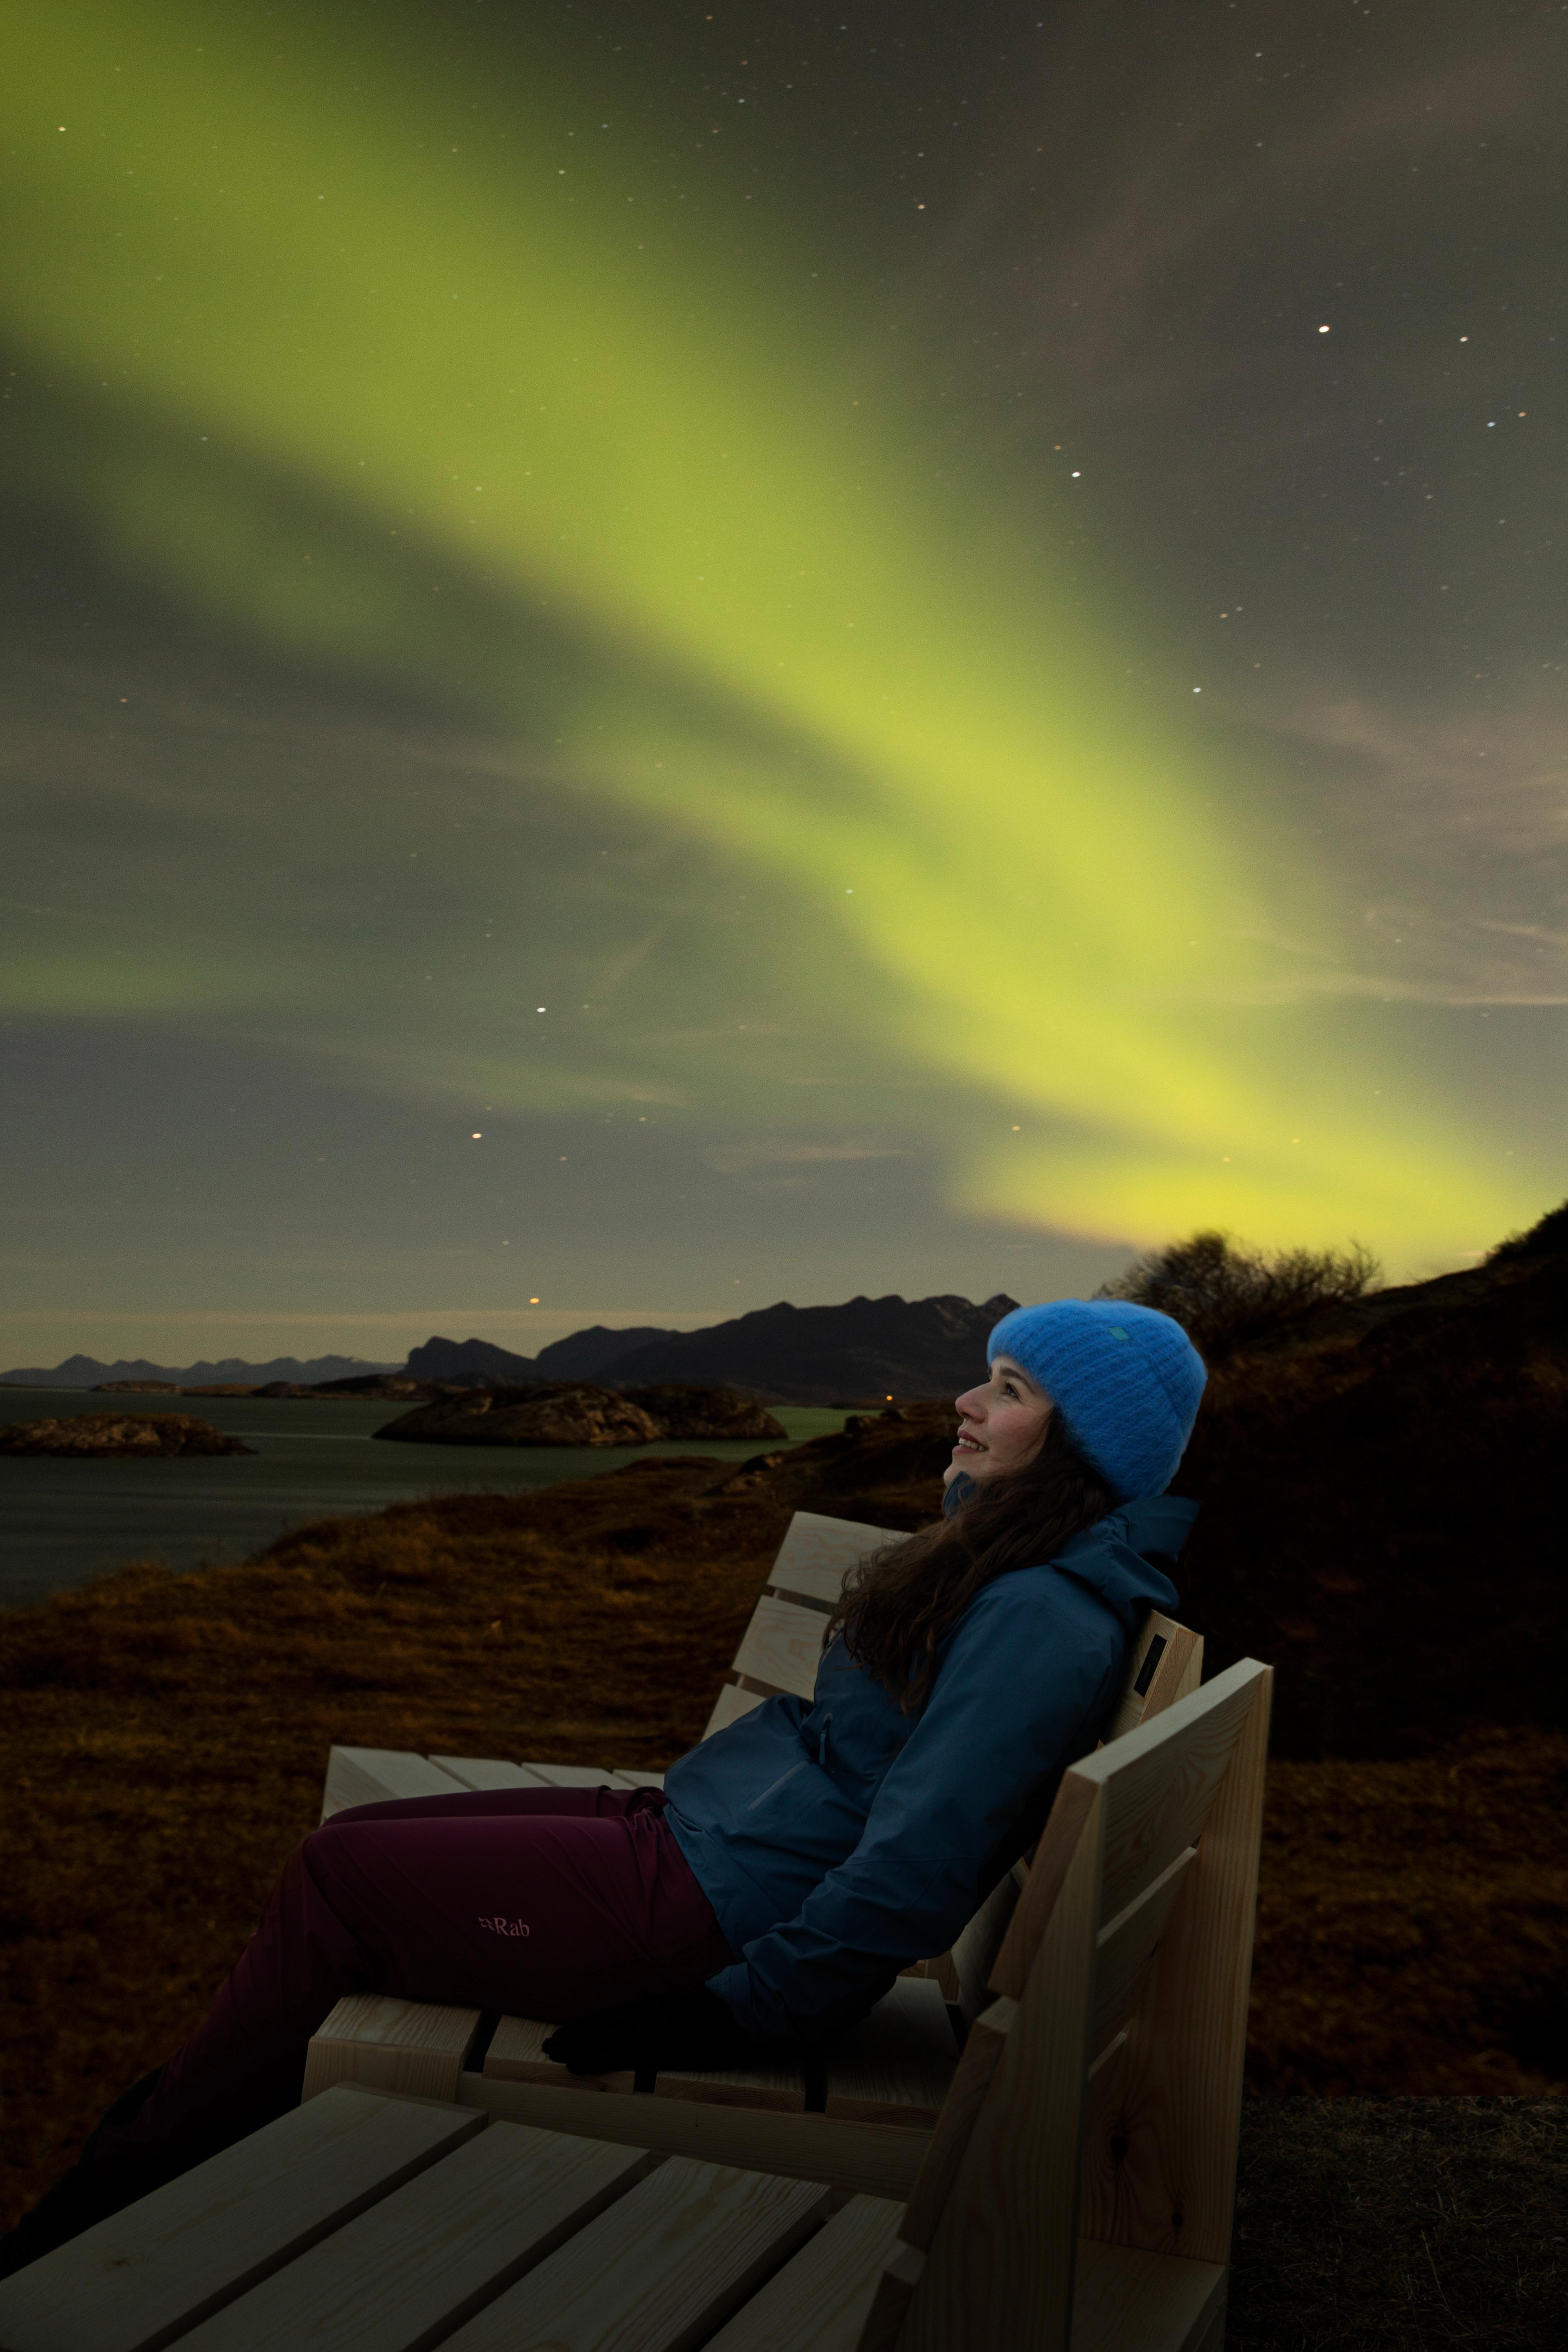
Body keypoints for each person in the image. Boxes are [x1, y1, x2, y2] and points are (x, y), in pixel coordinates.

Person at [0, 1297, 1205, 2274]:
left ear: (1082, 1442)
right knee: (354, 1852)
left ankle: (115, 2198)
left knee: (339, 1882)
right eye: (983, 1374)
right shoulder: (1007, 1567)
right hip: (700, 1838)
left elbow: (924, 1855)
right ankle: (160, 2149)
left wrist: (741, 2011)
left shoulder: (1040, 1615)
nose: (965, 1399)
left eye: (1010, 1388)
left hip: (715, 1914)